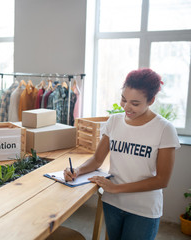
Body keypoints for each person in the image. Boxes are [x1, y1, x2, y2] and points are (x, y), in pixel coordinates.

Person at [64, 68, 180, 240]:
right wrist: (77, 171)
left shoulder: (164, 129)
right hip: (112, 203)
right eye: (123, 100)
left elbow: (162, 180)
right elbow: (97, 160)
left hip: (143, 210)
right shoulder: (114, 121)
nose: (126, 107)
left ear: (151, 100)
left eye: (135, 103)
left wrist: (116, 188)